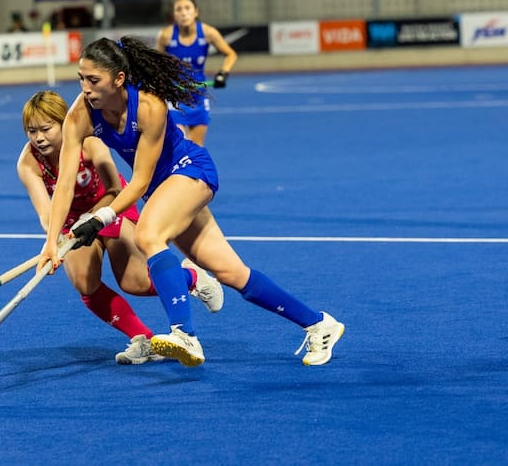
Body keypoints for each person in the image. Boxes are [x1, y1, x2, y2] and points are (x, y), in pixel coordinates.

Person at [38, 36, 344, 368]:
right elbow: (64, 184)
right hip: (164, 187)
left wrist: (103, 216)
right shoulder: (79, 115)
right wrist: (51, 241)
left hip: (189, 170)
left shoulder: (150, 106)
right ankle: (319, 324)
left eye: (93, 80)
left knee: (148, 235)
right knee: (231, 272)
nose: (85, 88)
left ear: (119, 79)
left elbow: (139, 181)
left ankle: (185, 334)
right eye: (81, 79)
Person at [17, 90, 223, 364]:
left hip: (111, 207)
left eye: (46, 128)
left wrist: (93, 218)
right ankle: (144, 339)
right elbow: (46, 213)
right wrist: (52, 241)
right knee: (83, 282)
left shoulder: (88, 142)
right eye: (32, 131)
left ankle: (193, 279)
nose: (39, 137)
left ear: (63, 123)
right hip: (74, 220)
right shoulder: (28, 162)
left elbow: (114, 189)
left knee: (135, 283)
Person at [155, 0, 238, 146]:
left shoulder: (208, 32)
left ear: (196, 12)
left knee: (196, 148)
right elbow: (155, 63)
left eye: (187, 8)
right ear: (174, 15)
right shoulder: (166, 36)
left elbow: (231, 54)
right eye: (179, 9)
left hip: (198, 95)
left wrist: (223, 74)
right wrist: (161, 80)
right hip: (176, 96)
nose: (183, 13)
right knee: (179, 143)